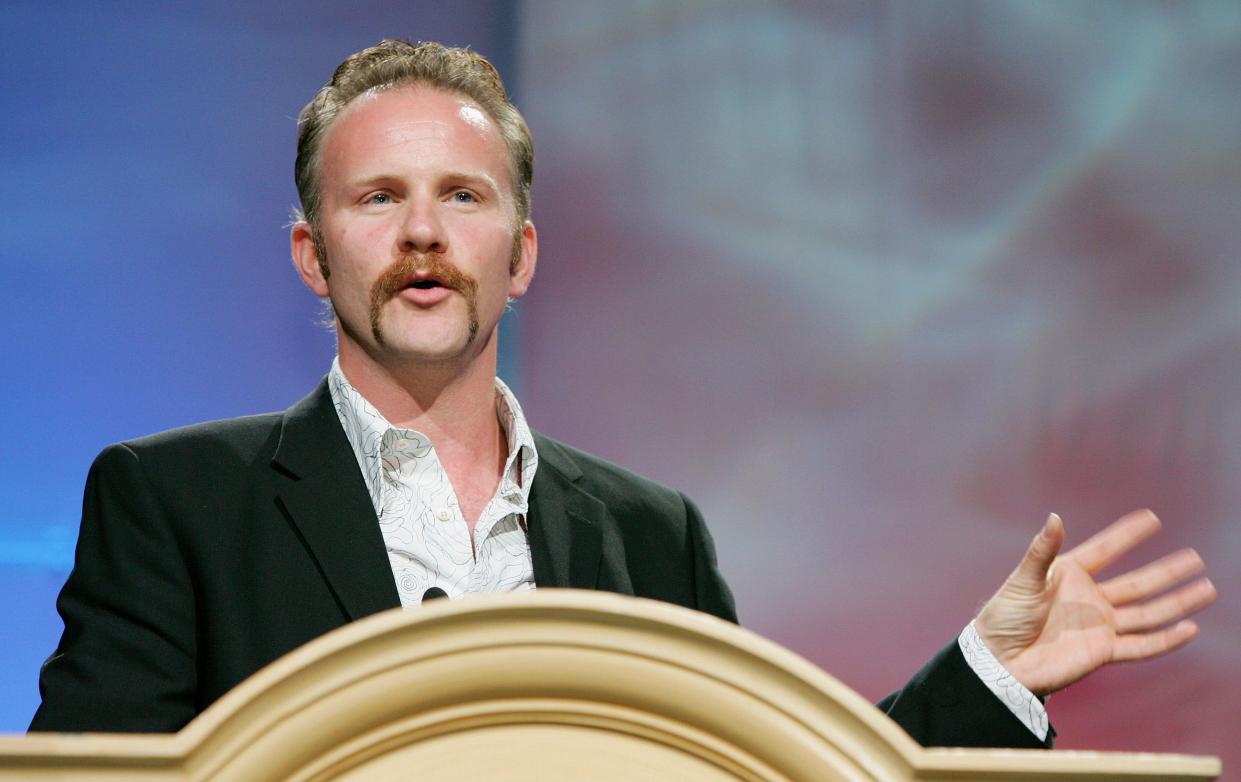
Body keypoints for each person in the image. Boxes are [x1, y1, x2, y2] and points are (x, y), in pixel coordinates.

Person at [30, 40, 1216, 746]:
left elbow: (759, 772)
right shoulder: (172, 501)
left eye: (464, 196)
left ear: (523, 253)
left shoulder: (650, 535)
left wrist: (987, 671)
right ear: (312, 252)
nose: (425, 234)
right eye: (378, 198)